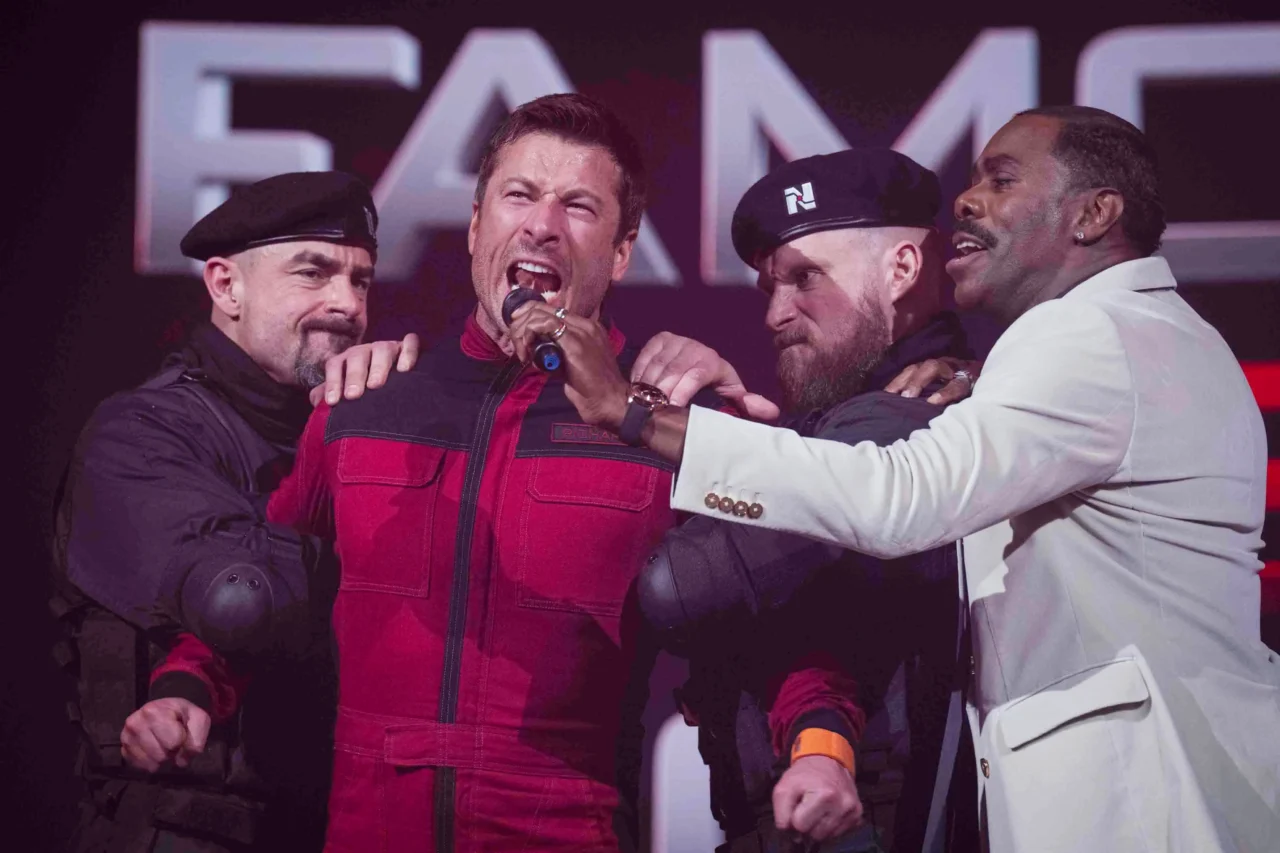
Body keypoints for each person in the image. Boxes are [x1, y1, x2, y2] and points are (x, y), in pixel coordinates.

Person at [526, 105, 1280, 851]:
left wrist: (637, 415)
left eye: (1002, 179)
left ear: (1093, 214)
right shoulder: (1143, 338)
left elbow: (893, 497)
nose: (966, 199)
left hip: (1141, 801)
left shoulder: (1089, 332)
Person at [625, 149, 979, 853]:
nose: (775, 313)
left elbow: (683, 586)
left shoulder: (916, 419)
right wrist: (735, 424)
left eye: (805, 278)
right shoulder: (839, 427)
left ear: (902, 268)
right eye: (769, 287)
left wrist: (656, 422)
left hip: (869, 825)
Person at [50, 171, 413, 853]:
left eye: (360, 280)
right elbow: (242, 598)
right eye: (313, 272)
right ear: (225, 286)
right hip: (180, 828)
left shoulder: (362, 424)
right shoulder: (139, 433)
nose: (346, 303)